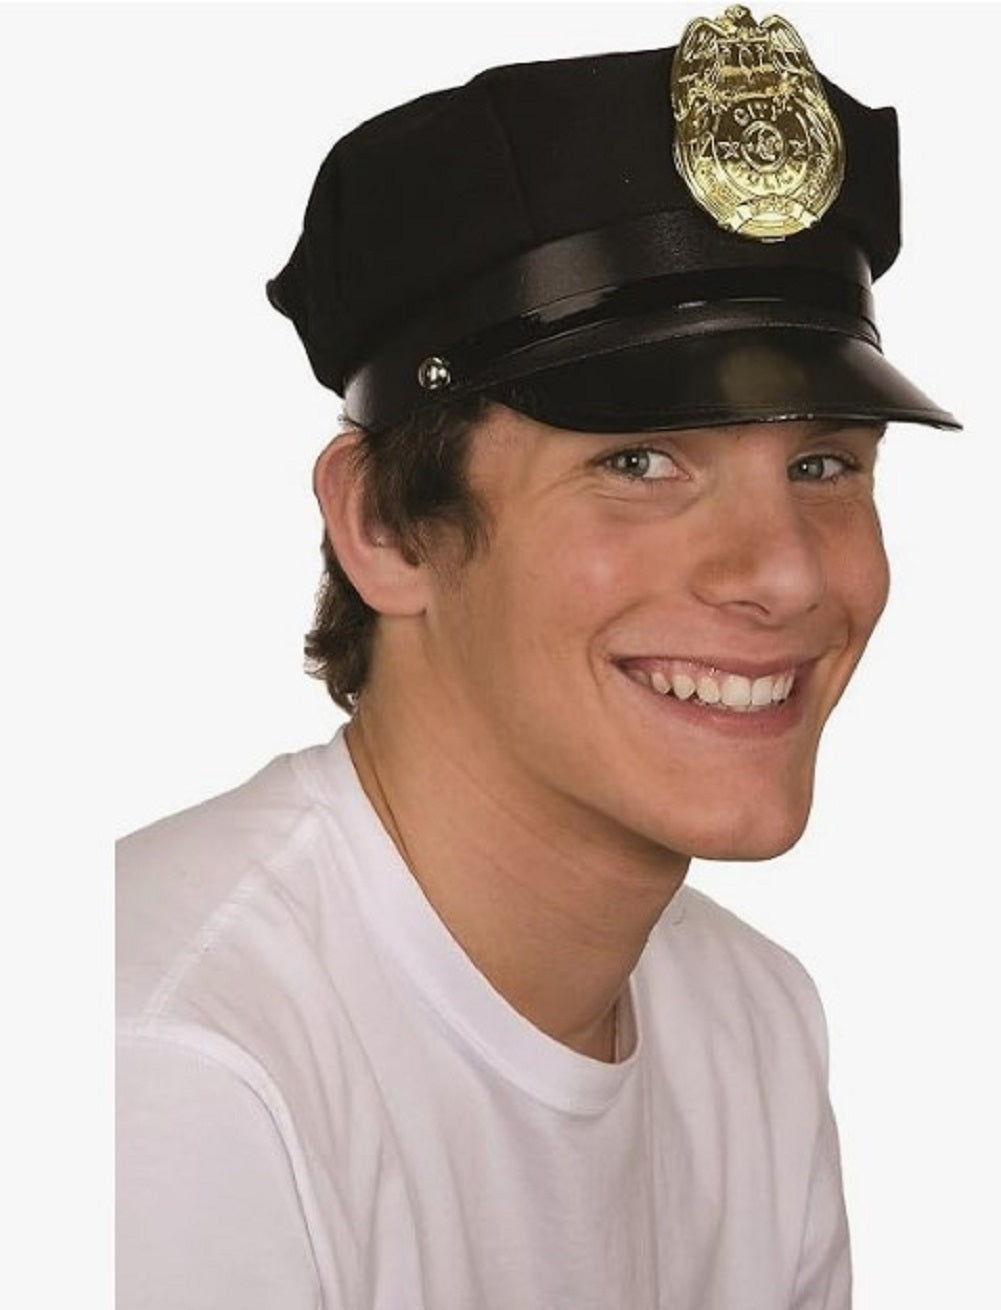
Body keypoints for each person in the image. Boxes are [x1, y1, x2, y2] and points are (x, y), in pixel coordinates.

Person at [116, 6, 959, 1307]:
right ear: (384, 525)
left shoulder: (755, 1024)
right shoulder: (175, 1070)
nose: (788, 572)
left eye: (823, 465)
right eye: (640, 461)